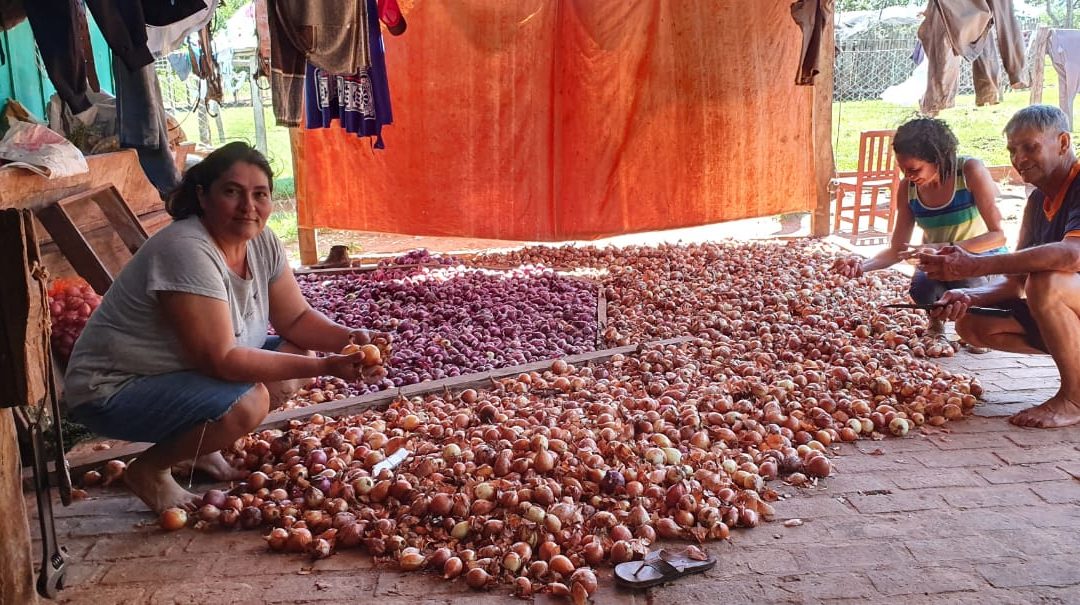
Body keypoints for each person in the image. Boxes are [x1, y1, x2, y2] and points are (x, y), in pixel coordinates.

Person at [62, 142, 390, 513]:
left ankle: (198, 449)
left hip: (176, 372)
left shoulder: (261, 241)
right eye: (232, 192)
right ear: (202, 196)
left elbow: (296, 319)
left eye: (260, 194)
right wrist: (327, 367)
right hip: (113, 390)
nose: (248, 206)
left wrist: (350, 341)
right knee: (249, 402)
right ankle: (150, 470)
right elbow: (222, 360)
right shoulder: (187, 249)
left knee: (297, 353)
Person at [919, 105, 1080, 428]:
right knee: (972, 325)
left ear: (1063, 143)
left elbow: (1072, 256)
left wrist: (973, 265)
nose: (1019, 159)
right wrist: (969, 296)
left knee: (1046, 282)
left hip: (1066, 293)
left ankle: (1074, 399)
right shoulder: (1037, 201)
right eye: (1012, 151)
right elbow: (1014, 283)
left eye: (1030, 147)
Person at [833, 117, 1006, 344]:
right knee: (922, 287)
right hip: (940, 263)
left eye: (914, 169)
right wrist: (861, 266)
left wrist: (942, 248)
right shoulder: (908, 188)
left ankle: (977, 327)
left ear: (938, 158)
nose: (908, 176)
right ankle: (936, 323)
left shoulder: (969, 171)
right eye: (903, 169)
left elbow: (998, 236)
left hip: (981, 261)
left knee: (964, 282)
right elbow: (897, 250)